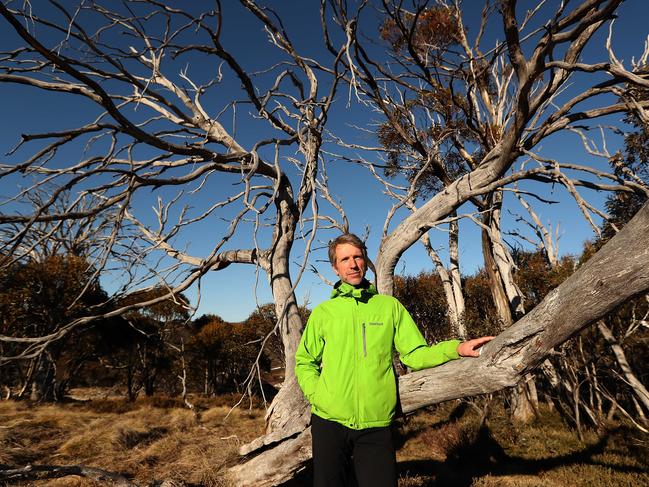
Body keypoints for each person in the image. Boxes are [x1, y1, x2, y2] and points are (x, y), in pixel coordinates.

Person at [295, 233, 494, 487]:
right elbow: (305, 361)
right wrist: (318, 395)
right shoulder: (324, 313)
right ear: (335, 268)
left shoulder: (389, 307)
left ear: (366, 261)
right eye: (345, 259)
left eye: (358, 257)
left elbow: (414, 354)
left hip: (376, 423)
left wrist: (456, 348)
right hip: (329, 422)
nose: (353, 264)